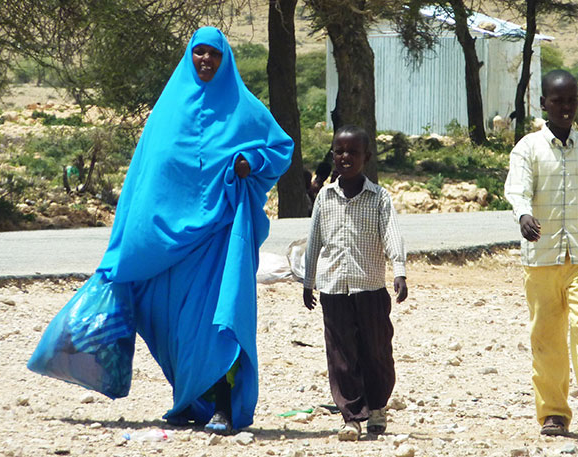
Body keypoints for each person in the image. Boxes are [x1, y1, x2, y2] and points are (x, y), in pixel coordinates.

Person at [28, 27, 293, 434]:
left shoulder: (245, 108)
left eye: (213, 54)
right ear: (190, 56)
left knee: (218, 320)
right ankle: (190, 400)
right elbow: (143, 180)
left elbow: (279, 148)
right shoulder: (167, 111)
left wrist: (250, 162)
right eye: (199, 52)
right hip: (167, 245)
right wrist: (124, 248)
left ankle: (223, 405)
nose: (205, 60)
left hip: (217, 240)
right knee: (175, 326)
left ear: (226, 60)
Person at [503, 69, 578, 438]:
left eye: (571, 100)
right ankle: (553, 413)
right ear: (543, 104)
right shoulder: (528, 148)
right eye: (558, 101)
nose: (565, 107)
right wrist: (523, 214)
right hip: (543, 259)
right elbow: (517, 188)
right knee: (547, 338)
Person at [302, 125, 408, 441]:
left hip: (370, 287)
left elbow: (392, 235)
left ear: (366, 157)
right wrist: (308, 281)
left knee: (376, 350)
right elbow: (314, 240)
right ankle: (352, 416)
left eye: (353, 152)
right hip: (333, 287)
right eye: (340, 151)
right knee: (340, 354)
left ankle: (376, 408)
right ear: (333, 155)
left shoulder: (379, 197)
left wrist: (399, 271)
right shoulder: (324, 197)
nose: (345, 157)